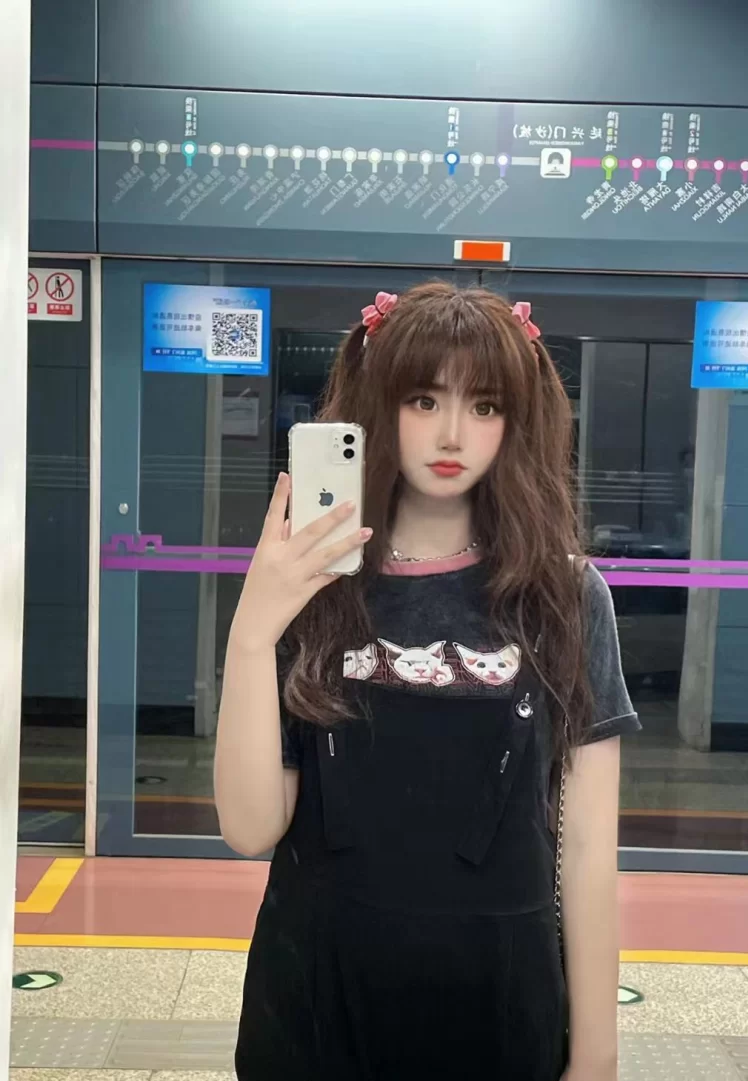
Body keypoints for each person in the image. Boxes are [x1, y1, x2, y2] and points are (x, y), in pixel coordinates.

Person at [215, 282, 640, 1081]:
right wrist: (251, 632)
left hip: (500, 1001)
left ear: (517, 420)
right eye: (423, 399)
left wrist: (597, 1054)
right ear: (380, 404)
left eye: (484, 405)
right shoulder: (312, 584)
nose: (452, 433)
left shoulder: (565, 596)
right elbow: (250, 825)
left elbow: (587, 845)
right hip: (317, 1002)